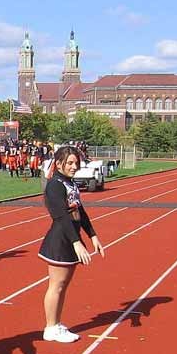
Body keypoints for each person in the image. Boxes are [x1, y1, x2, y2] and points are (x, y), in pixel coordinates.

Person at [38, 145, 105, 343]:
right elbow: (61, 216)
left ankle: (56, 324)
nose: (74, 166)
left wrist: (92, 235)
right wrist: (76, 242)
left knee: (63, 286)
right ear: (59, 164)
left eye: (76, 162)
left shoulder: (70, 183)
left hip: (71, 238)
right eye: (70, 163)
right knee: (56, 285)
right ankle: (50, 327)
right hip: (60, 240)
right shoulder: (55, 185)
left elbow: (79, 211)